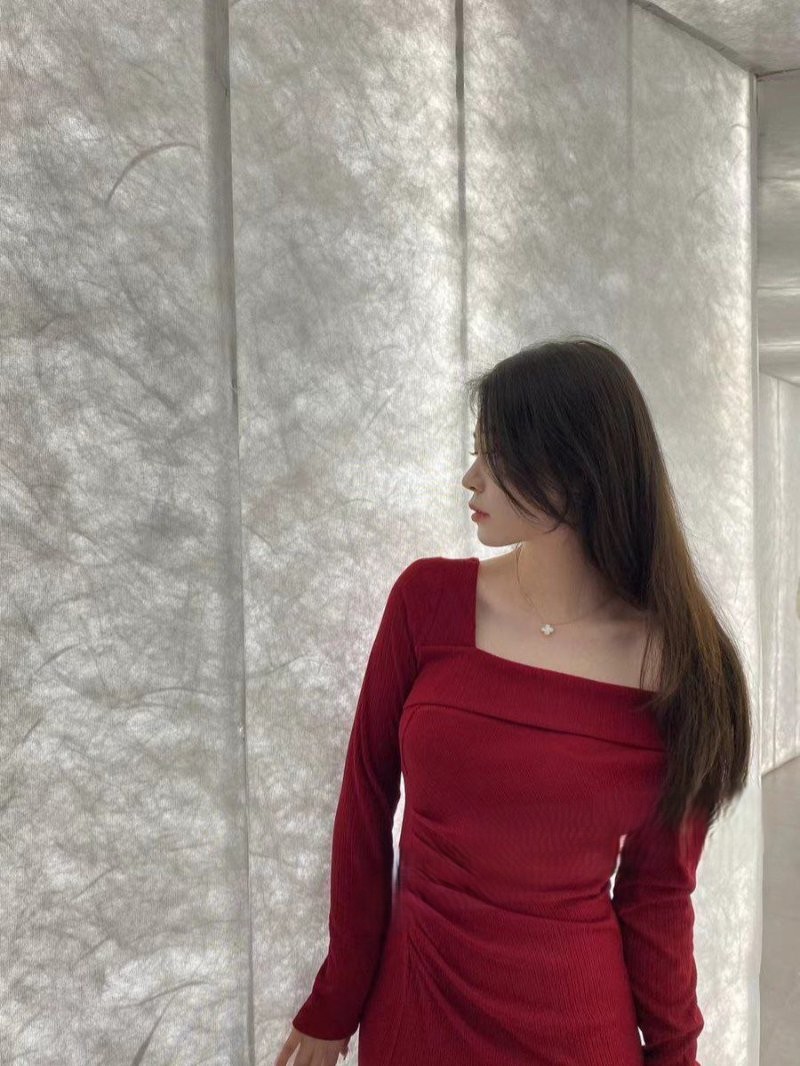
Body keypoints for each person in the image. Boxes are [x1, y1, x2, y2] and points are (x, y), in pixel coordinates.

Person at [276, 337, 752, 1066]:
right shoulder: (427, 602)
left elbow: (657, 895)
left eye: (494, 457)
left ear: (575, 469)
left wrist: (676, 1056)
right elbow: (365, 799)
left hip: (577, 1031)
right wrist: (336, 998)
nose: (470, 478)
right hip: (417, 1011)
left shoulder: (684, 669)